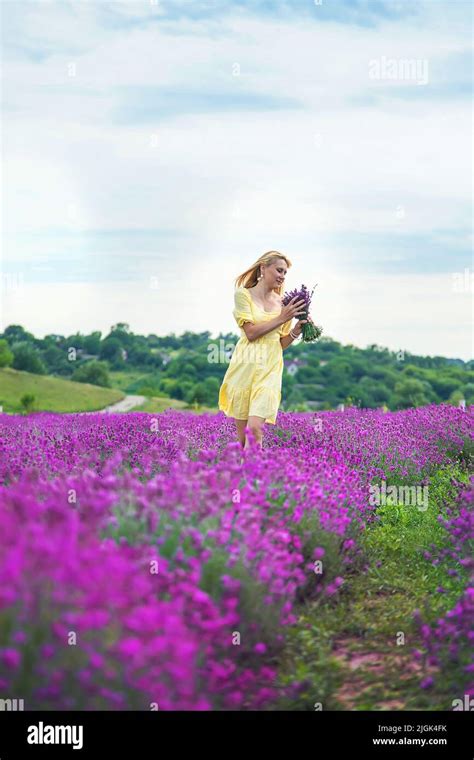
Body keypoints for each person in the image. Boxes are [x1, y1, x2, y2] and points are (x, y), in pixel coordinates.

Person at [218, 250, 309, 450]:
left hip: (270, 371)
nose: (282, 276)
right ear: (263, 268)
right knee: (243, 441)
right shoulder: (243, 295)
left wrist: (295, 330)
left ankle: (256, 479)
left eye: (285, 273)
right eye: (279, 270)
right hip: (245, 369)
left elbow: (280, 344)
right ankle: (242, 478)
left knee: (255, 431)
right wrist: (282, 318)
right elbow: (250, 333)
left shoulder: (283, 304)